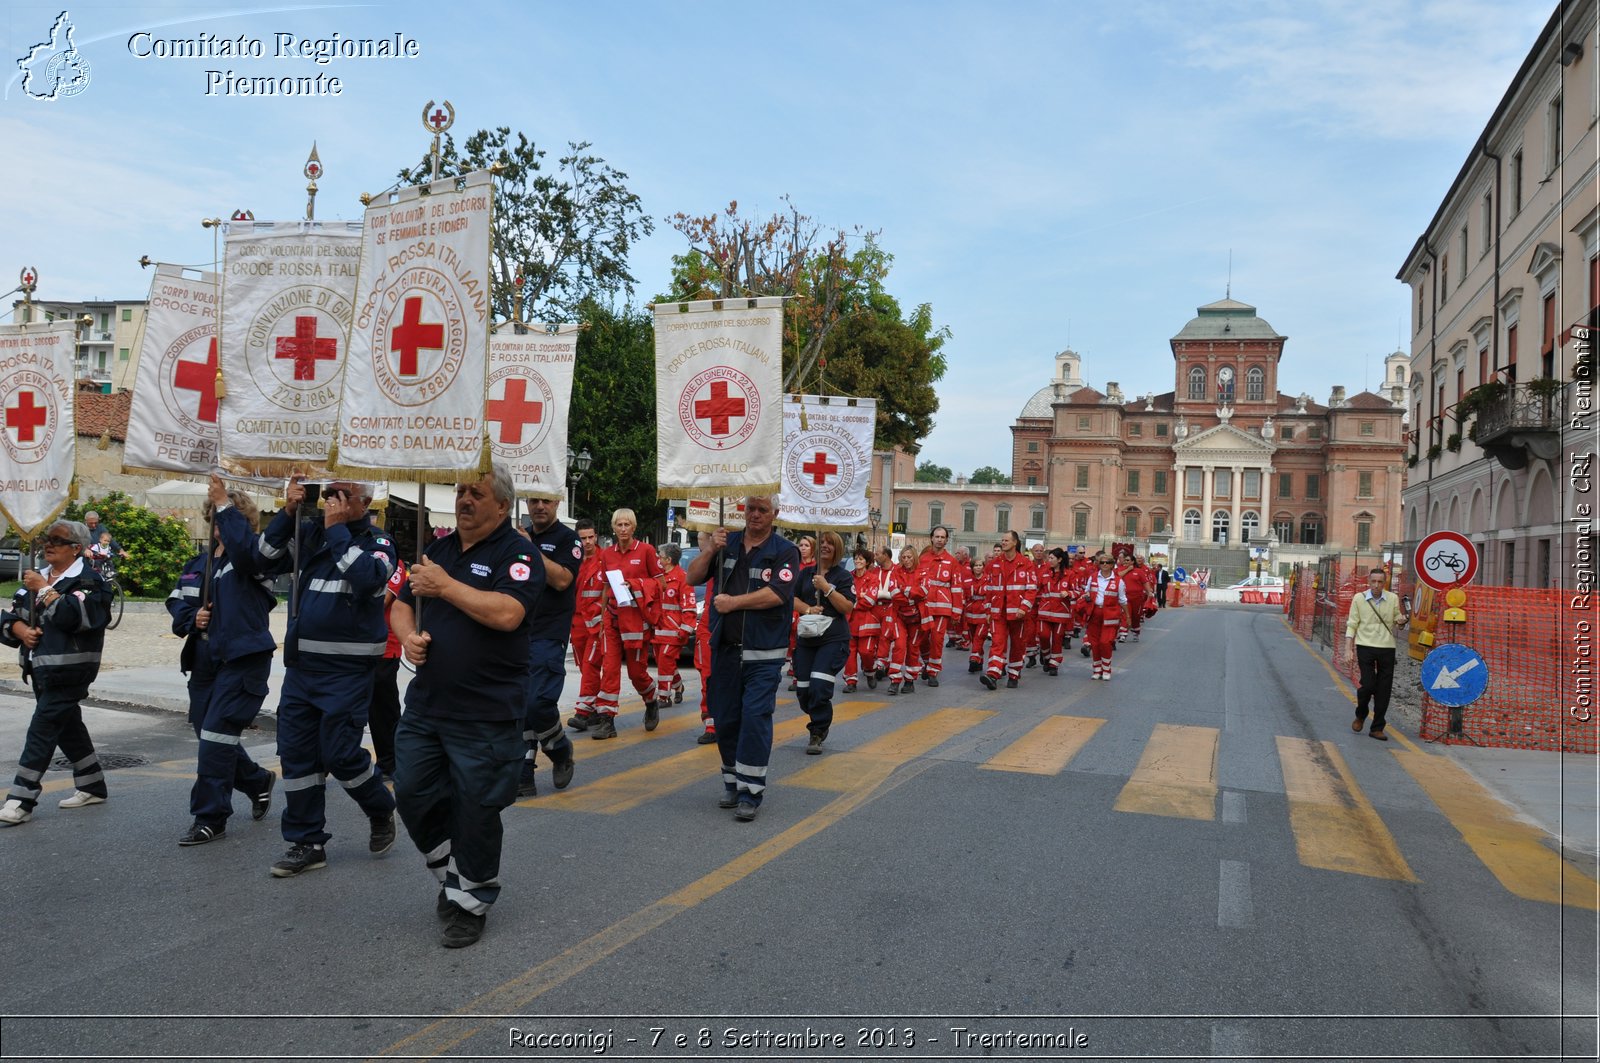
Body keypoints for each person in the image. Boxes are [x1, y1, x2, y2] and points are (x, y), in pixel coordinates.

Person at [391, 464, 544, 947]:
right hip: (427, 705)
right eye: (460, 491)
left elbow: (507, 613)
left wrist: (445, 587)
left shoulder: (520, 554)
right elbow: (398, 603)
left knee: (476, 809)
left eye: (475, 493)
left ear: (501, 504)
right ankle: (450, 872)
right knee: (411, 791)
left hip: (486, 709)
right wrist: (407, 637)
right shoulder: (437, 549)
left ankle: (471, 902)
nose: (464, 500)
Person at [250, 478, 398, 877]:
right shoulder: (312, 536)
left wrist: (336, 529)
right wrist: (287, 514)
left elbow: (369, 578)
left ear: (365, 502)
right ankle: (306, 842)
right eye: (328, 492)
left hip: (347, 673)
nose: (331, 500)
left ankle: (381, 808)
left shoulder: (379, 543)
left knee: (340, 755)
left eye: (342, 494)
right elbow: (261, 559)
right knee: (297, 757)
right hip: (302, 670)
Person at [165, 476, 279, 845]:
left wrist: (229, 511)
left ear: (243, 523)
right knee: (210, 733)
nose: (218, 522)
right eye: (214, 514)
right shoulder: (197, 562)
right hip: (203, 659)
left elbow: (248, 557)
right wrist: (191, 618)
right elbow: (176, 601)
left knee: (215, 736)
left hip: (242, 659)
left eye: (227, 516)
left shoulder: (254, 559)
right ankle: (257, 780)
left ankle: (210, 817)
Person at [683, 495, 800, 822]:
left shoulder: (784, 550)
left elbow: (778, 594)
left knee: (754, 717)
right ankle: (732, 781)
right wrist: (709, 548)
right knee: (727, 718)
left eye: (763, 510)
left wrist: (733, 603)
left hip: (764, 654)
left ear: (775, 514)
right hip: (726, 651)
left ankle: (752, 790)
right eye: (751, 508)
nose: (756, 515)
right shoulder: (727, 542)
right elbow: (692, 578)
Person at [0, 521, 114, 826]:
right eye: (47, 539)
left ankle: (21, 799)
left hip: (71, 671)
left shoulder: (90, 581)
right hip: (40, 670)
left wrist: (46, 591)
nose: (48, 544)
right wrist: (20, 630)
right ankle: (92, 785)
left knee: (43, 727)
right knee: (67, 726)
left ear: (76, 548)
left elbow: (76, 618)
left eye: (57, 540)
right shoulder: (36, 580)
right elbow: (9, 618)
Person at [517, 495, 581, 796]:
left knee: (538, 702)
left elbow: (562, 580)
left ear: (557, 502)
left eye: (546, 501)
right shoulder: (516, 534)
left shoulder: (568, 540)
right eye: (533, 501)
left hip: (549, 632)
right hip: (515, 630)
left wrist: (527, 547)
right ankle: (524, 773)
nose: (539, 506)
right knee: (517, 702)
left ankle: (559, 748)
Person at [579, 508, 660, 739]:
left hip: (636, 622)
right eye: (619, 525)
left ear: (634, 528)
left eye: (627, 524)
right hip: (613, 619)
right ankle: (607, 720)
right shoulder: (607, 555)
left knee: (636, 673)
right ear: (613, 528)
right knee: (610, 669)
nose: (623, 529)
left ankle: (651, 698)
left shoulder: (646, 551)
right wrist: (604, 618)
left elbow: (660, 584)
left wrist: (635, 585)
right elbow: (605, 588)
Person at [793, 531, 855, 754]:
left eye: (831, 543)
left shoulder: (843, 576)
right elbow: (792, 597)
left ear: (837, 549)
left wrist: (827, 588)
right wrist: (808, 609)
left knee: (819, 685)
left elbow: (847, 607)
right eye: (822, 542)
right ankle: (816, 715)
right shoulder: (806, 573)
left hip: (833, 638)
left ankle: (818, 730)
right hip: (807, 637)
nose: (826, 546)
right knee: (803, 690)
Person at [1344, 567, 1408, 741]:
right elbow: (1352, 624)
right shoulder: (1359, 598)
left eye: (1380, 582)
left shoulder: (1392, 598)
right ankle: (1361, 714)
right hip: (1365, 646)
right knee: (1368, 685)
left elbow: (1397, 621)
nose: (1377, 585)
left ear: (1385, 583)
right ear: (1368, 581)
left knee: (1384, 690)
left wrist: (1402, 622)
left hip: (1387, 647)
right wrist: (1348, 648)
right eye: (1374, 581)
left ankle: (1377, 727)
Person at [979, 531, 1036, 690]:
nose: (1003, 543)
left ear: (1015, 542)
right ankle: (993, 674)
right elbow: (989, 590)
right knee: (997, 643)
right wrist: (988, 610)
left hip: (1018, 614)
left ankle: (1013, 674)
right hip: (998, 612)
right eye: (1002, 540)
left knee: (1018, 645)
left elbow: (1031, 589)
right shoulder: (994, 564)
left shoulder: (1026, 564)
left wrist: (1024, 608)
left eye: (1006, 540)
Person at [368, 558, 408, 782]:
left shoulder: (395, 564)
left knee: (383, 711)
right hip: (355, 646)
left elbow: (383, 601)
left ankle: (390, 762)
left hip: (385, 647)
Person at [567, 520, 604, 727]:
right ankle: (597, 706)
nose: (588, 542)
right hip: (576, 622)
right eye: (583, 538)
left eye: (591, 537)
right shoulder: (573, 560)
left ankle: (582, 711)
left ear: (596, 536)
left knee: (590, 665)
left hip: (598, 624)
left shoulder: (605, 559)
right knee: (584, 666)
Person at [653, 543, 694, 715]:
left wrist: (684, 630)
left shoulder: (683, 579)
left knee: (664, 661)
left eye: (659, 556)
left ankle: (664, 697)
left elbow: (689, 608)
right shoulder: (658, 577)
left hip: (674, 632)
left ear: (668, 560)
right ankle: (678, 686)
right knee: (664, 662)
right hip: (658, 630)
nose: (657, 559)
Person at [915, 526, 958, 686]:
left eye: (942, 537)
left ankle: (933, 671)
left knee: (937, 639)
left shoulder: (952, 561)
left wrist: (956, 612)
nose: (939, 539)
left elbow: (957, 588)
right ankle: (927, 662)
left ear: (946, 540)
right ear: (931, 538)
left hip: (942, 608)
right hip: (924, 607)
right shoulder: (922, 559)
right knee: (922, 639)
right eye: (937, 536)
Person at [1083, 553, 1132, 680]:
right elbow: (1086, 592)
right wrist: (1086, 597)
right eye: (1102, 562)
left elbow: (1123, 600)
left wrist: (1127, 616)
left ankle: (1106, 668)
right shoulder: (1093, 577)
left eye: (1108, 562)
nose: (1104, 565)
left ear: (1112, 565)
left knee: (1105, 642)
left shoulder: (1118, 581)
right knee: (1094, 643)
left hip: (1111, 616)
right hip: (1094, 614)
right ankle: (1097, 669)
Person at [884, 546, 925, 695]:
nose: (906, 560)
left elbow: (924, 592)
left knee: (913, 648)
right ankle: (895, 680)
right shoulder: (896, 572)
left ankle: (910, 680)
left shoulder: (922, 572)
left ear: (914, 557)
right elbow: (894, 594)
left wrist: (905, 590)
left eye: (909, 557)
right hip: (899, 615)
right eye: (903, 557)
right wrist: (911, 597)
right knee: (899, 646)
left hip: (917, 617)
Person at [843, 545, 882, 692]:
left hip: (867, 622)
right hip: (850, 621)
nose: (857, 561)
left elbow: (870, 601)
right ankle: (851, 681)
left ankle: (870, 672)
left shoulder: (872, 579)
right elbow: (844, 597)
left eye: (860, 559)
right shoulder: (848, 577)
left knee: (866, 652)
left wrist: (853, 601)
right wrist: (860, 598)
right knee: (850, 653)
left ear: (867, 562)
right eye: (855, 558)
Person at [1035, 549, 1072, 676]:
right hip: (1044, 611)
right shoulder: (1044, 574)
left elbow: (1079, 591)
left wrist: (1069, 593)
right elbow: (1035, 588)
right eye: (1048, 558)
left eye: (1051, 558)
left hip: (1061, 613)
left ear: (1059, 560)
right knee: (1043, 635)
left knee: (1057, 639)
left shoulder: (1069, 574)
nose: (1049, 560)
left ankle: (1054, 664)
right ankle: (1046, 656)